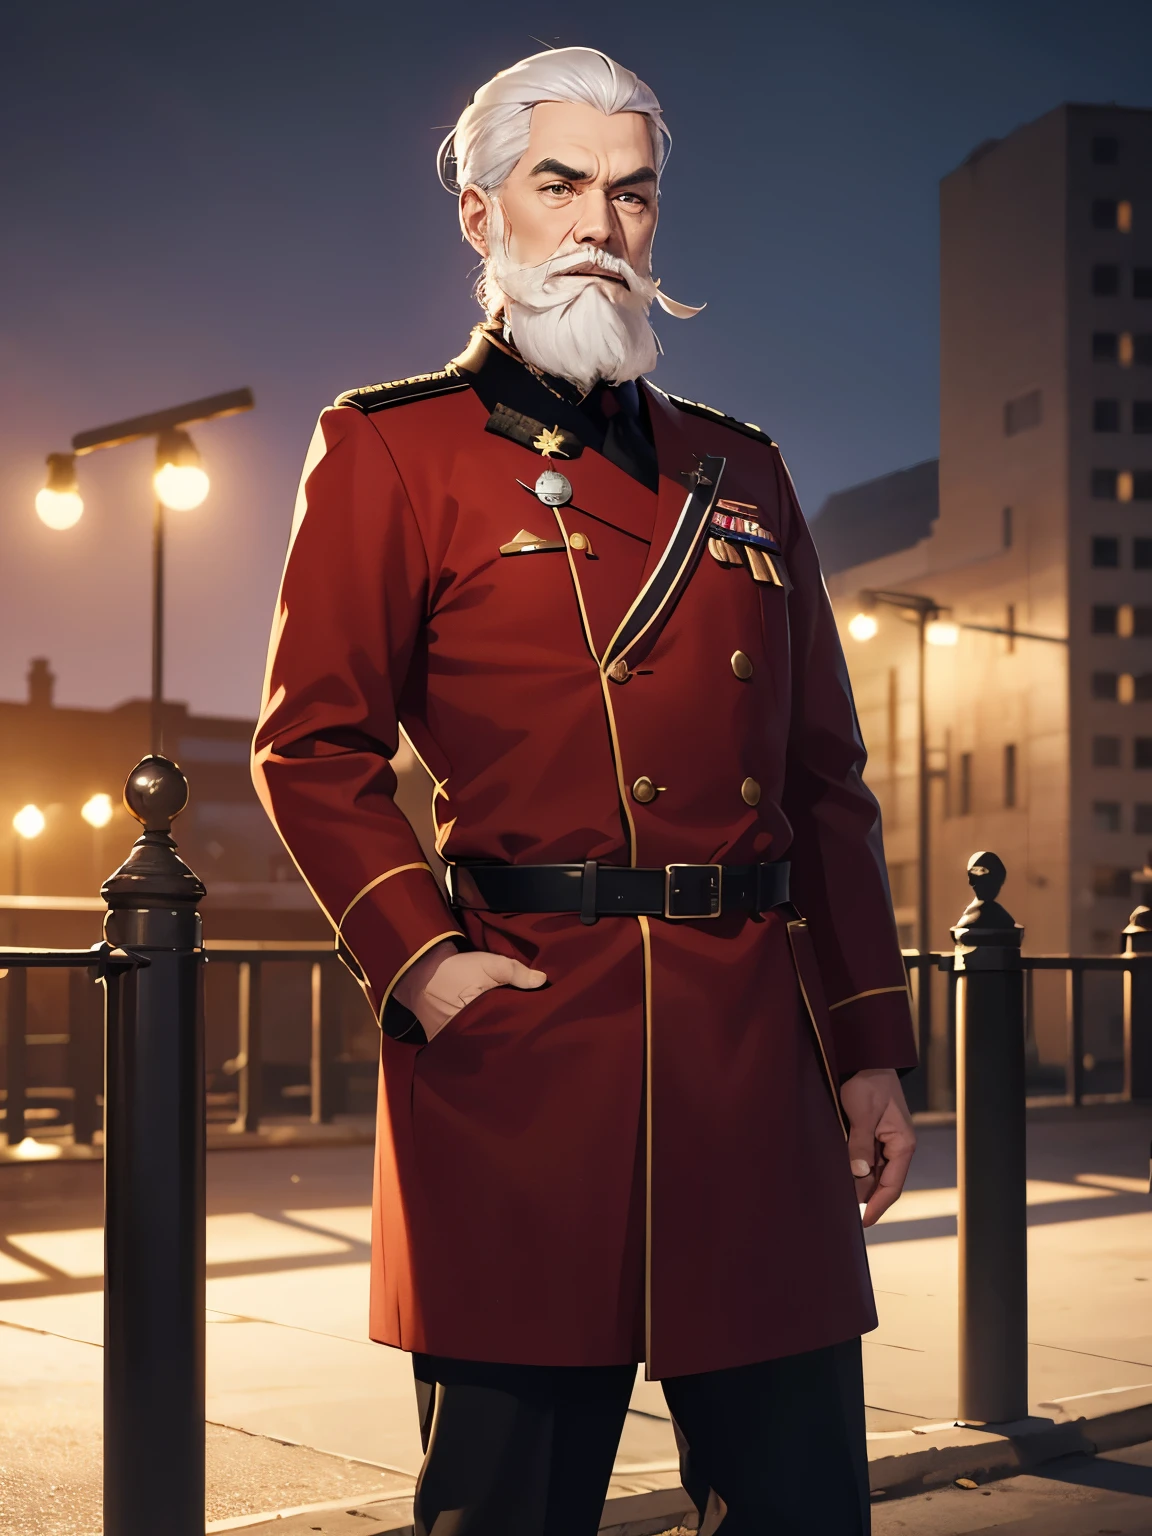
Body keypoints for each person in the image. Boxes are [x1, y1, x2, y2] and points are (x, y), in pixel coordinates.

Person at [252, 46, 917, 1536]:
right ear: (482, 217)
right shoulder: (391, 446)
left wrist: (867, 1041)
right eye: (560, 185)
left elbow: (824, 787)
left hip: (752, 1065)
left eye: (632, 193)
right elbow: (312, 747)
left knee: (806, 1504)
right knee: (506, 1508)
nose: (600, 223)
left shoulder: (742, 470)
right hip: (524, 1052)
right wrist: (423, 967)